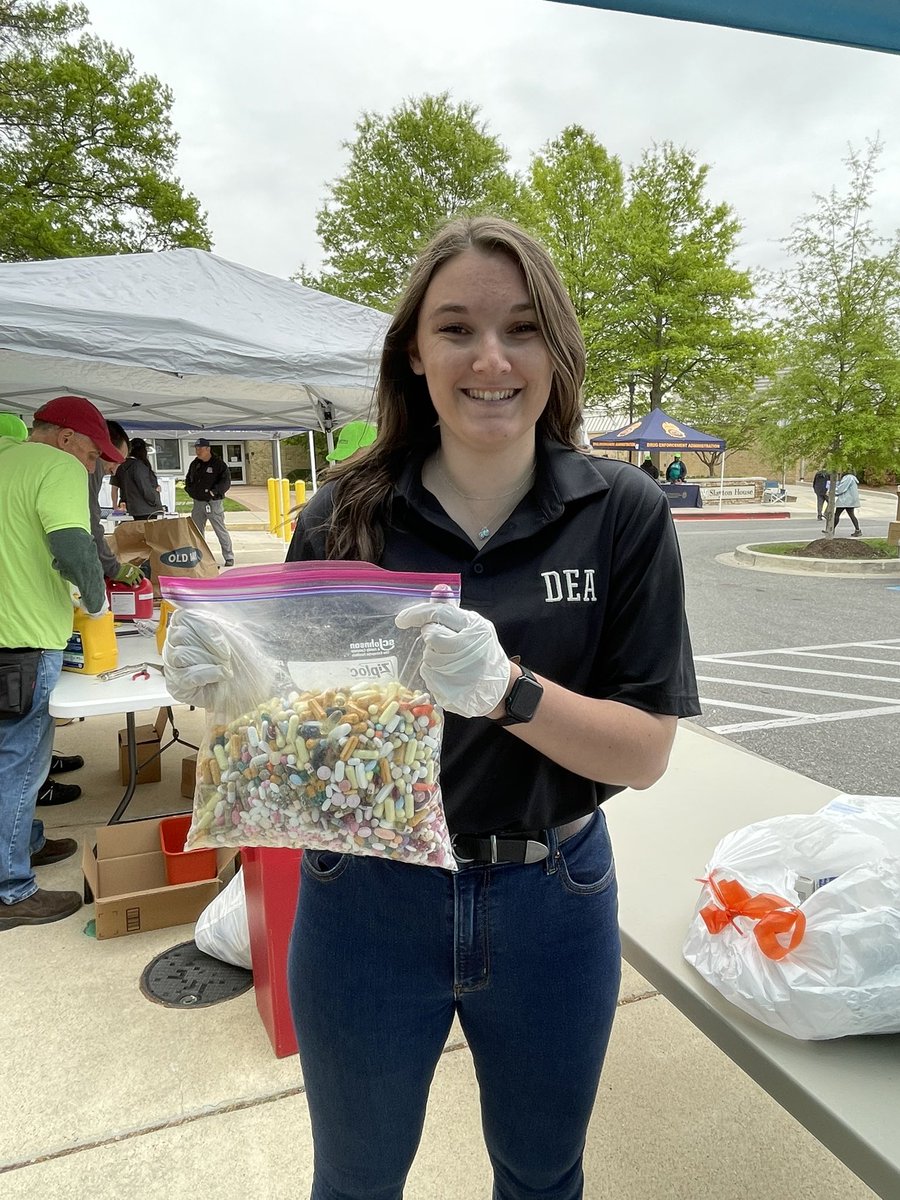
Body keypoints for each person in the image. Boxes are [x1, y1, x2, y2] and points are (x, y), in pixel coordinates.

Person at [171, 217, 699, 1198]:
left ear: (557, 351)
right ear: (415, 352)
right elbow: (297, 740)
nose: (490, 358)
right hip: (365, 904)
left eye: (523, 328)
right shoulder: (342, 515)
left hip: (553, 899)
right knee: (358, 1181)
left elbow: (644, 754)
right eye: (456, 328)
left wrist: (511, 692)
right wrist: (234, 694)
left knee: (542, 1178)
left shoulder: (623, 513)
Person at [0, 395, 123, 931]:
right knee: (21, 764)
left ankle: (26, 843)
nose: (92, 467)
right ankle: (11, 889)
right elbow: (74, 547)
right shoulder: (58, 466)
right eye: (94, 456)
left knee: (10, 755)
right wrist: (96, 601)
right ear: (68, 438)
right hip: (26, 639)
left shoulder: (6, 457)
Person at [184, 438, 234, 566]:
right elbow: (188, 479)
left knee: (220, 529)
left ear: (208, 449)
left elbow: (226, 482)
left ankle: (228, 556)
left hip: (214, 503)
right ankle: (200, 557)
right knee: (197, 531)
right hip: (198, 503)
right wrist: (190, 491)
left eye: (200, 448)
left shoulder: (219, 464)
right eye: (196, 448)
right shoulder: (195, 464)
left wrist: (214, 492)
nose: (198, 451)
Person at [110, 436, 165, 519]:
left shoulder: (120, 465)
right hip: (145, 510)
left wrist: (115, 507)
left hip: (126, 507)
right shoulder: (139, 466)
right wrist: (155, 497)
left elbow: (114, 488)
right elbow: (145, 488)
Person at [834, 470, 862, 536]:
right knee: (851, 515)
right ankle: (858, 530)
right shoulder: (852, 478)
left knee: (837, 514)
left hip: (845, 500)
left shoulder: (848, 478)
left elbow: (842, 488)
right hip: (850, 500)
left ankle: (831, 529)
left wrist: (834, 492)